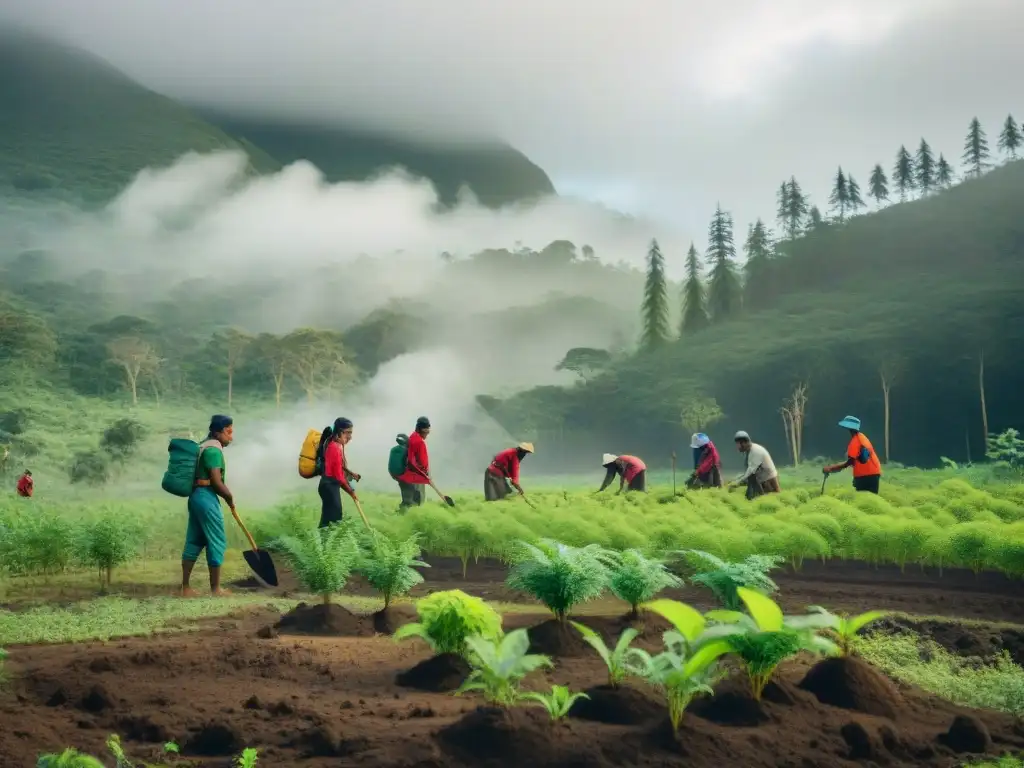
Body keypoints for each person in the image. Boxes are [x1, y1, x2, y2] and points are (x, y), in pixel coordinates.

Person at [182, 415, 237, 597]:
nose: (231, 436)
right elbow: (216, 480)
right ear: (217, 432)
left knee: (195, 539)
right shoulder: (213, 451)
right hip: (206, 497)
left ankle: (185, 588)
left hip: (196, 497)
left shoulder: (203, 446)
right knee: (217, 540)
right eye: (228, 432)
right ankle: (216, 589)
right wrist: (229, 497)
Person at [318, 417, 361, 528]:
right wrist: (351, 492)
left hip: (329, 485)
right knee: (334, 519)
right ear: (340, 432)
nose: (350, 437)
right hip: (329, 486)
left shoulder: (336, 445)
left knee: (329, 518)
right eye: (348, 433)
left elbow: (338, 466)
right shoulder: (334, 447)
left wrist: (350, 473)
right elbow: (339, 477)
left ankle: (323, 542)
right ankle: (324, 543)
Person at [823, 415, 882, 494]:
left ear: (849, 427)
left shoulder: (855, 442)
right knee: (872, 499)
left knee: (862, 501)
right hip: (875, 473)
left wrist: (831, 468)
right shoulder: (862, 437)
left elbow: (849, 463)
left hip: (864, 476)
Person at [729, 431, 780, 499]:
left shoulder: (755, 451)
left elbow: (750, 472)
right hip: (762, 480)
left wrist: (737, 483)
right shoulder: (749, 451)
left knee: (773, 499)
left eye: (738, 444)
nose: (737, 447)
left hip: (768, 480)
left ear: (744, 443)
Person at [395, 416, 432, 507]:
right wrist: (425, 474)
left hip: (409, 475)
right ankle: (412, 519)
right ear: (422, 429)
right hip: (416, 477)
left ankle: (399, 517)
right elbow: (421, 463)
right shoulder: (419, 442)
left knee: (408, 502)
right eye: (427, 429)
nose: (428, 432)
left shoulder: (412, 437)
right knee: (417, 502)